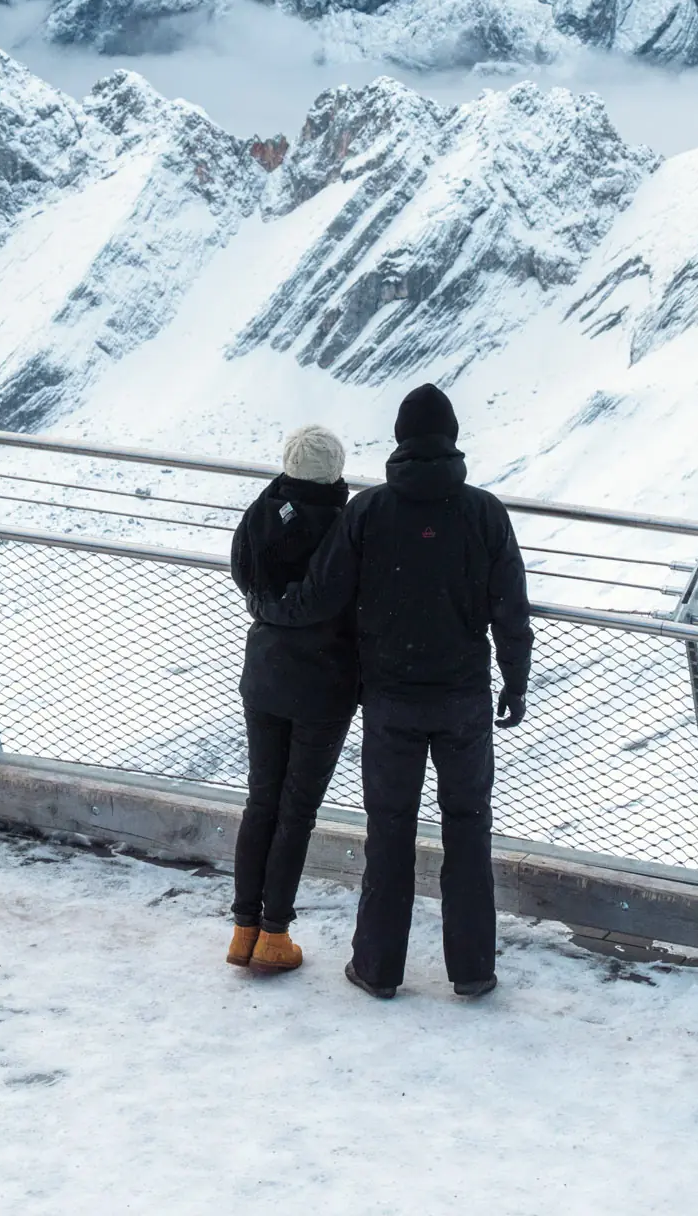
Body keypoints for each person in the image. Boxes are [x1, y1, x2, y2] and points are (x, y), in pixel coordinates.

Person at [251, 383, 531, 1001]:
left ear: (401, 441)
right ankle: (473, 969)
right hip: (463, 699)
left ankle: (377, 968)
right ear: (452, 440)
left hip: (390, 700)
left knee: (390, 829)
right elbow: (510, 606)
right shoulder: (485, 512)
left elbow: (321, 595)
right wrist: (515, 677)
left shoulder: (369, 511)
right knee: (468, 827)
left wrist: (271, 608)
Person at [227, 423, 354, 976]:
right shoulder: (348, 526)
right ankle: (275, 935)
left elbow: (245, 576)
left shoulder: (262, 513)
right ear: (335, 472)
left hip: (265, 675)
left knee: (262, 801)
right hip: (322, 687)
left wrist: (273, 609)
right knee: (296, 811)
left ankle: (243, 929)